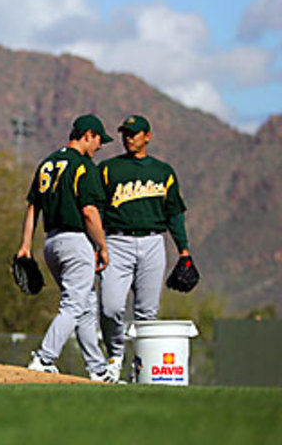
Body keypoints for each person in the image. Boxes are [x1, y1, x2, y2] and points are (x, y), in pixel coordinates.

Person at [98, 114, 192, 383]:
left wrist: (183, 250)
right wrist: (98, 245)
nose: (129, 138)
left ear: (147, 136)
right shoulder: (108, 169)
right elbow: (97, 209)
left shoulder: (163, 172)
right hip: (116, 241)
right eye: (125, 133)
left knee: (146, 313)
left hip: (153, 242)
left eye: (134, 133)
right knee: (110, 307)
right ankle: (115, 358)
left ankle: (140, 369)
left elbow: (174, 214)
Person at [17, 113, 112, 381]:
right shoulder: (83, 166)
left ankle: (98, 369)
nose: (99, 146)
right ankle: (44, 358)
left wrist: (26, 245)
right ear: (87, 135)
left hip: (51, 244)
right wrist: (102, 247)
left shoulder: (47, 163)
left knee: (84, 304)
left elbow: (33, 206)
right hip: (75, 242)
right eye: (98, 140)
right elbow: (90, 212)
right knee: (73, 305)